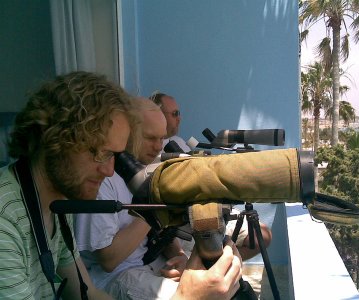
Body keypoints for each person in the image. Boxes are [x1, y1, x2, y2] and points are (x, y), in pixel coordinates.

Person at [0, 72, 242, 300]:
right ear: (54, 139)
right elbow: (105, 265)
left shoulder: (55, 209)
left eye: (115, 155)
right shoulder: (5, 219)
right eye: (100, 153)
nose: (108, 170)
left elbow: (88, 295)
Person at [74, 98, 196, 299]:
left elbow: (162, 231)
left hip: (146, 261)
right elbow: (108, 260)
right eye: (150, 138)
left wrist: (179, 257)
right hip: (113, 277)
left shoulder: (149, 168)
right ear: (127, 134)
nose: (159, 147)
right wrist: (153, 209)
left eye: (161, 139)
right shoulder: (104, 178)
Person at [151, 92, 272, 260]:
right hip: (189, 220)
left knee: (262, 237)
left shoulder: (177, 141)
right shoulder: (150, 153)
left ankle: (220, 265)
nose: (179, 118)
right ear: (157, 115)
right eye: (175, 114)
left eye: (179, 113)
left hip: (210, 206)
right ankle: (213, 267)